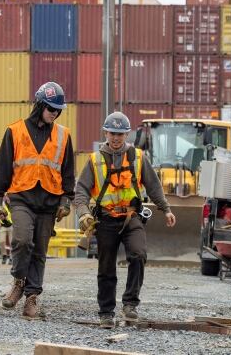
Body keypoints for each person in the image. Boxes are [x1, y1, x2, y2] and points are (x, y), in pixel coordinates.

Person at [73, 111, 175, 329]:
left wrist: (165, 209)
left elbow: (154, 185)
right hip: (106, 220)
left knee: (138, 255)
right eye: (112, 133)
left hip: (132, 218)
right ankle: (106, 313)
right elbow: (80, 190)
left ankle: (130, 304)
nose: (116, 138)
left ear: (127, 134)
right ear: (105, 133)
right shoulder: (94, 160)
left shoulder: (138, 157)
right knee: (106, 267)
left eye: (120, 134)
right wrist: (83, 212)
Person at [0, 82, 75, 320]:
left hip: (49, 202)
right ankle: (18, 281)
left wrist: (66, 201)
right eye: (51, 108)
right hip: (22, 199)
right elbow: (3, 168)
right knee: (22, 240)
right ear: (39, 105)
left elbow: (68, 171)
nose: (55, 113)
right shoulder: (15, 131)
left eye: (58, 110)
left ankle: (31, 298)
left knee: (39, 252)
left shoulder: (63, 135)